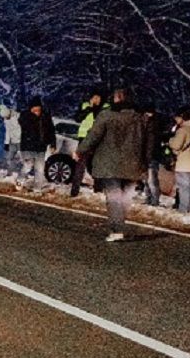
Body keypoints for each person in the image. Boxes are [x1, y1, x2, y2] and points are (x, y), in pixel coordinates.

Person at [74, 87, 146, 242]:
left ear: (117, 99)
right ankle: (120, 221)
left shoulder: (106, 116)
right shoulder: (140, 118)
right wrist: (144, 161)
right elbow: (146, 141)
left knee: (114, 197)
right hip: (133, 163)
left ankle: (117, 229)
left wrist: (80, 150)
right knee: (125, 196)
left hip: (110, 162)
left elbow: (93, 136)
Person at [71, 89, 109, 197]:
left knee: (96, 166)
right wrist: (89, 108)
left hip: (98, 140)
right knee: (80, 165)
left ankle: (98, 190)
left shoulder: (105, 107)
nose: (95, 100)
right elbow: (78, 118)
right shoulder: (85, 105)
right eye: (94, 97)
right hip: (84, 138)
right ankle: (74, 191)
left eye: (98, 97)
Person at [17, 97, 56, 192]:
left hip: (41, 147)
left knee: (40, 169)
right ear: (31, 108)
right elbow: (24, 124)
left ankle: (37, 188)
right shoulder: (25, 115)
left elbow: (51, 130)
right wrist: (33, 115)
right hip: (27, 146)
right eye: (35, 108)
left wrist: (53, 143)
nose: (37, 110)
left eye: (39, 108)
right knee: (28, 165)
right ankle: (20, 179)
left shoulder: (45, 116)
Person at [141, 102, 172, 206]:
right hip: (148, 156)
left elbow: (151, 144)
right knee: (147, 180)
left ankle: (154, 201)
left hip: (152, 156)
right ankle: (149, 199)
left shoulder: (153, 126)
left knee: (151, 180)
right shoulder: (153, 124)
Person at [1, 104, 21, 172]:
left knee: (23, 159)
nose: (6, 118)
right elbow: (7, 131)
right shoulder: (6, 120)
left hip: (21, 141)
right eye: (5, 117)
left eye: (7, 116)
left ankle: (23, 173)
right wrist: (6, 143)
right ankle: (12, 171)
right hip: (12, 141)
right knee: (9, 158)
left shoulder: (18, 116)